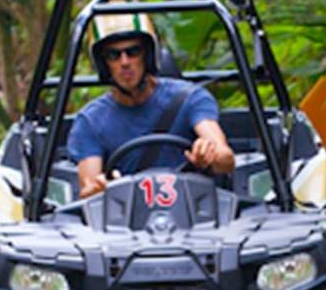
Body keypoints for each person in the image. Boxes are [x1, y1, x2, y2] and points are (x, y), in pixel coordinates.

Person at [67, 13, 234, 199]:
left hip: (197, 212)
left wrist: (209, 156)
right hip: (125, 219)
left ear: (147, 55)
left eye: (133, 52)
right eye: (114, 55)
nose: (125, 62)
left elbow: (225, 158)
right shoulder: (90, 121)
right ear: (103, 64)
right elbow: (88, 192)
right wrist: (99, 189)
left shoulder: (190, 99)